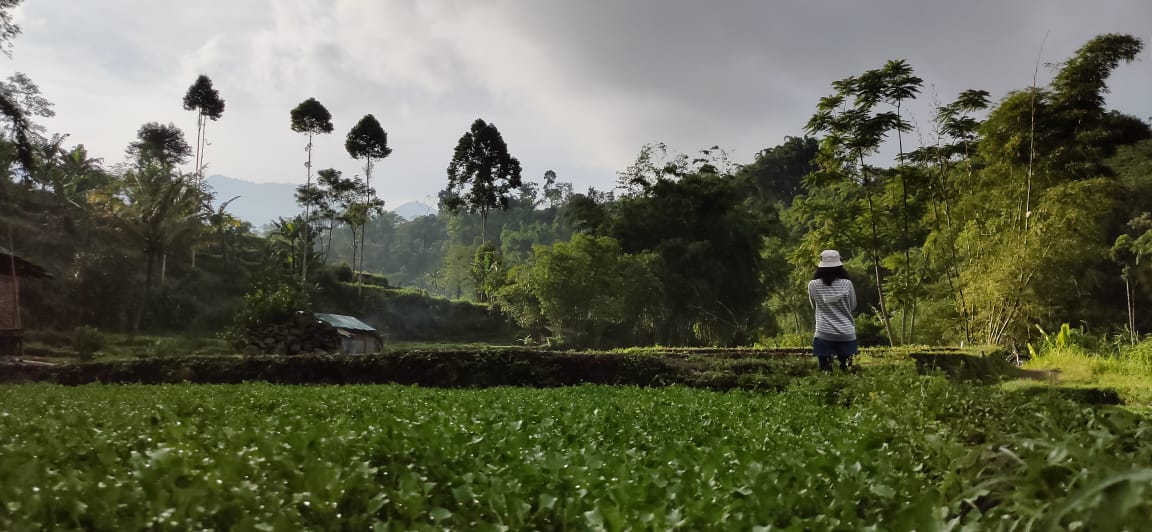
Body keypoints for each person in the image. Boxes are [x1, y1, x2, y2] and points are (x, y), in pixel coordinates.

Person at [808, 249, 857, 372]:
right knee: (846, 371)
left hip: (823, 332)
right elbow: (853, 306)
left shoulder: (813, 285)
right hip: (846, 333)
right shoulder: (847, 284)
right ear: (840, 266)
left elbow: (814, 306)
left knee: (825, 371)